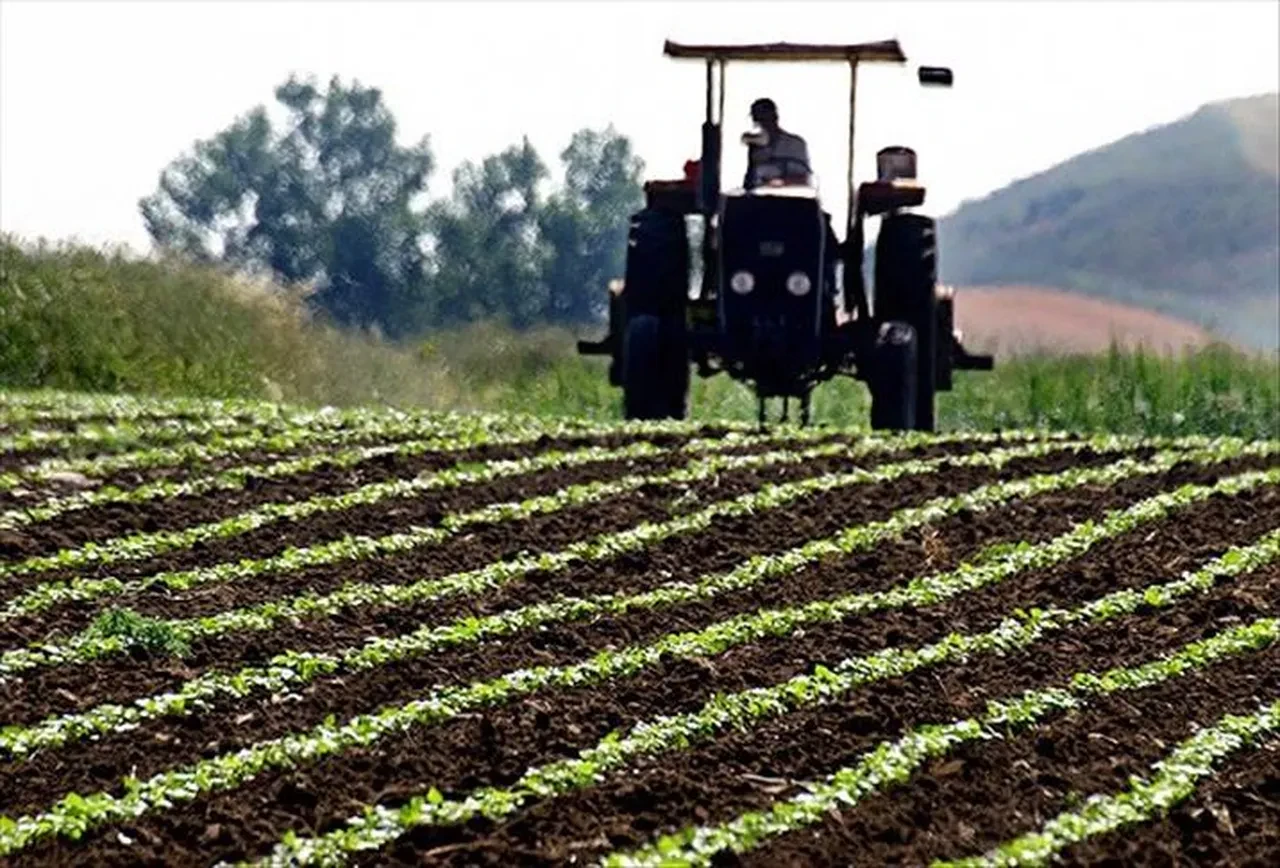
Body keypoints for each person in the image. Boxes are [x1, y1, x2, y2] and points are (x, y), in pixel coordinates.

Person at [742, 98, 811, 188]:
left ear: (775, 117)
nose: (762, 123)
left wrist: (780, 182)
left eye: (765, 117)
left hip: (791, 196)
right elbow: (750, 181)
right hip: (760, 197)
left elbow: (803, 177)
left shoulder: (794, 144)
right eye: (758, 119)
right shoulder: (755, 144)